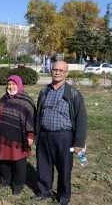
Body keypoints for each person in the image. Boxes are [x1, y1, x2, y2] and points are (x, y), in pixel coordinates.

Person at [33, 61, 87, 205]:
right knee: (44, 165)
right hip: (44, 135)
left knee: (64, 168)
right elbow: (38, 114)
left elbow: (81, 118)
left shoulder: (73, 93)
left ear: (66, 74)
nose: (57, 72)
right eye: (55, 69)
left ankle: (64, 196)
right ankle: (44, 191)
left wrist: (79, 142)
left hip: (64, 137)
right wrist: (36, 133)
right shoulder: (44, 91)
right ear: (51, 71)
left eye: (61, 70)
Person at [0, 75, 36, 196]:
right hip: (2, 137)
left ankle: (18, 185)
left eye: (14, 84)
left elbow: (31, 119)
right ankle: (5, 181)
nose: (11, 86)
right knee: (4, 161)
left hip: (18, 138)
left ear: (19, 85)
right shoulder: (4, 98)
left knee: (18, 163)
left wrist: (30, 135)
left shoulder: (26, 100)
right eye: (9, 84)